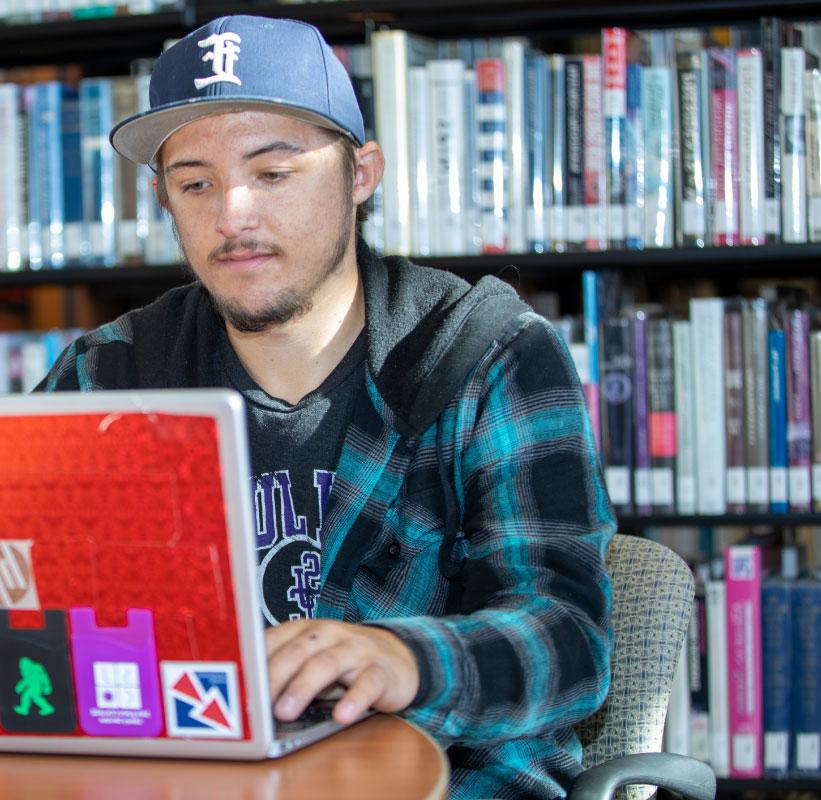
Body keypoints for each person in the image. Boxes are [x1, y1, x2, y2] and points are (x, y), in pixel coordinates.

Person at [38, 15, 615, 799]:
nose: (233, 214)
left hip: (441, 779)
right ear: (163, 197)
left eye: (274, 172)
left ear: (361, 174)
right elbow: (1, 593)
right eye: (195, 182)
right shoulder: (111, 374)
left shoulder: (488, 354)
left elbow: (569, 638)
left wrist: (404, 660)